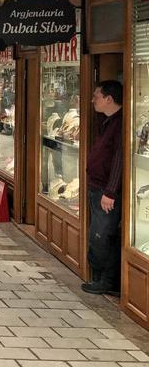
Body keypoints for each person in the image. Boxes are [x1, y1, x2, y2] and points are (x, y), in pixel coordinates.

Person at [82, 80, 123, 296]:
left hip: (106, 191)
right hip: (97, 187)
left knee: (103, 234)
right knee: (98, 233)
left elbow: (119, 160)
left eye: (96, 96)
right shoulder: (107, 121)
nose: (92, 100)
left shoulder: (120, 124)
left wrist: (110, 191)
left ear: (109, 99)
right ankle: (99, 277)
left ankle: (106, 281)